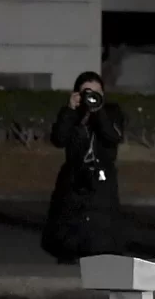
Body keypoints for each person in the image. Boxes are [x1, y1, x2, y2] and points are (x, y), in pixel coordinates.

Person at [43, 71, 126, 262]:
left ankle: (101, 263)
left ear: (103, 94)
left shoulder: (112, 112)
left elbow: (113, 137)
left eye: (96, 93)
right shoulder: (73, 113)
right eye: (87, 92)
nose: (91, 97)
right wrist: (70, 110)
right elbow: (59, 139)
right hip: (74, 177)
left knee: (101, 232)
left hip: (102, 178)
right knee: (69, 229)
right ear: (77, 94)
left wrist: (99, 111)